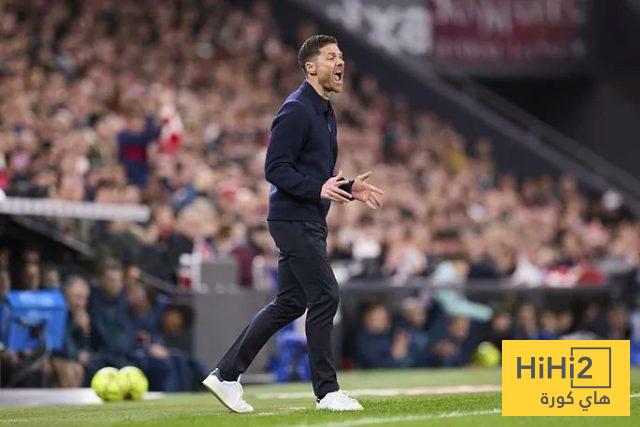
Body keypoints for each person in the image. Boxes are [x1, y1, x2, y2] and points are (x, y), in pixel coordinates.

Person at [202, 35, 383, 413]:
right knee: (326, 296)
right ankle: (327, 392)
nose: (340, 62)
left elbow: (316, 176)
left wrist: (348, 187)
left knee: (290, 302)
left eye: (341, 56)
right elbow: (275, 169)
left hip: (306, 218)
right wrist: (318, 189)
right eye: (331, 57)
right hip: (294, 219)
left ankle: (226, 375)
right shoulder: (297, 109)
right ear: (310, 67)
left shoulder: (324, 111)